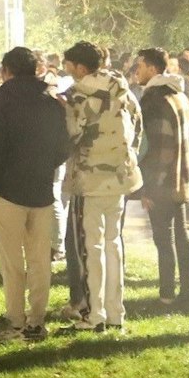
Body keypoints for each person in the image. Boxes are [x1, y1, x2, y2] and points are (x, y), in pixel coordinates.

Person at [0, 46, 72, 342]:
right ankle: (37, 321)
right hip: (42, 189)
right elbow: (63, 147)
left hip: (6, 190)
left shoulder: (0, 99)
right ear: (37, 70)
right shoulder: (53, 101)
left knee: (11, 263)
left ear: (6, 70)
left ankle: (16, 322)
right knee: (39, 260)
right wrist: (44, 166)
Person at [63, 41, 141, 332]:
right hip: (120, 176)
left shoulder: (78, 94)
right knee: (114, 245)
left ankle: (93, 314)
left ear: (80, 67)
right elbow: (137, 125)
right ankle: (115, 313)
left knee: (89, 247)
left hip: (90, 179)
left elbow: (73, 134)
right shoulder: (122, 87)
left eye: (69, 65)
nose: (67, 71)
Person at [132, 47, 189, 311]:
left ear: (152, 68)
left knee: (164, 239)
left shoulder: (155, 100)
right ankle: (187, 292)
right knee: (180, 238)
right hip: (181, 177)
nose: (136, 71)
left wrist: (149, 187)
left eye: (139, 65)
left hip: (162, 181)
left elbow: (158, 147)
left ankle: (167, 296)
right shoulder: (179, 96)